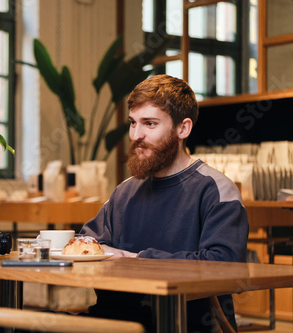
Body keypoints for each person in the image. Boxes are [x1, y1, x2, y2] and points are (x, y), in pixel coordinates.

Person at [80, 74, 249, 332]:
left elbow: (225, 267)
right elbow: (87, 246)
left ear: (183, 129)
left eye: (149, 123)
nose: (136, 135)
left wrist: (136, 259)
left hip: (184, 325)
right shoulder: (123, 192)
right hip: (112, 321)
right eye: (133, 123)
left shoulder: (215, 190)